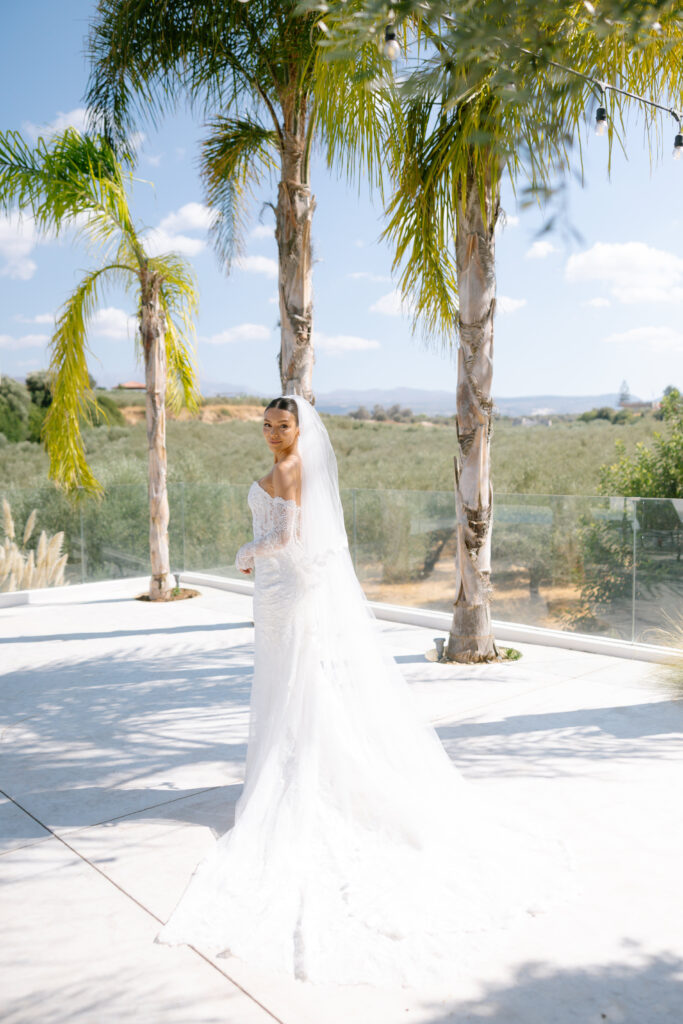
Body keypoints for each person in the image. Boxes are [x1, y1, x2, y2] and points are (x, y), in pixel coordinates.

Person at [154, 394, 579, 989]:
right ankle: (303, 760)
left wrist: (246, 552)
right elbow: (297, 540)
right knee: (291, 679)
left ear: (300, 430)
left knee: (292, 679)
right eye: (268, 425)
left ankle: (304, 771)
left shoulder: (290, 469)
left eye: (284, 426)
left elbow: (284, 537)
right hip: (281, 591)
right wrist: (263, 558)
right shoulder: (294, 467)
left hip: (281, 588)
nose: (274, 434)